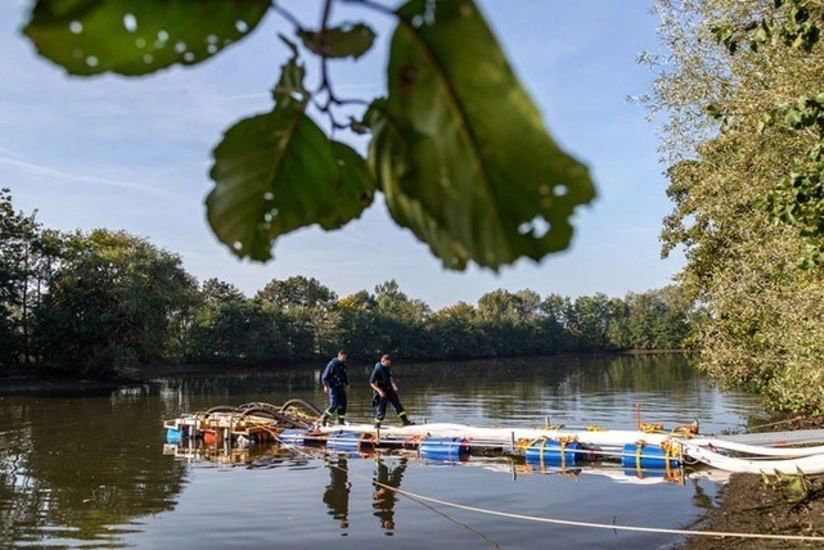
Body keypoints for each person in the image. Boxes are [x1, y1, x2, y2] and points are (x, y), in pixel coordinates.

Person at [369, 354, 414, 427]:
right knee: (382, 409)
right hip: (382, 391)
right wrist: (380, 391)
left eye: (389, 363)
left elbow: (390, 378)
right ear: (383, 361)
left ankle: (405, 421)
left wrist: (393, 385)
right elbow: (372, 383)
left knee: (398, 405)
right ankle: (377, 425)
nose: (388, 365)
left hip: (390, 389)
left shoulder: (387, 368)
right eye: (387, 363)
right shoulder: (377, 370)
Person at [320, 350, 349, 426]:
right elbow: (325, 376)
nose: (344, 359)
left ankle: (341, 421)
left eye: (345, 358)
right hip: (333, 387)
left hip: (340, 387)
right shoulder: (332, 364)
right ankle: (324, 417)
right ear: (339, 356)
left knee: (343, 404)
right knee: (334, 404)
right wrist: (325, 385)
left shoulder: (343, 365)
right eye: (343, 358)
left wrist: (347, 384)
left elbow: (344, 376)